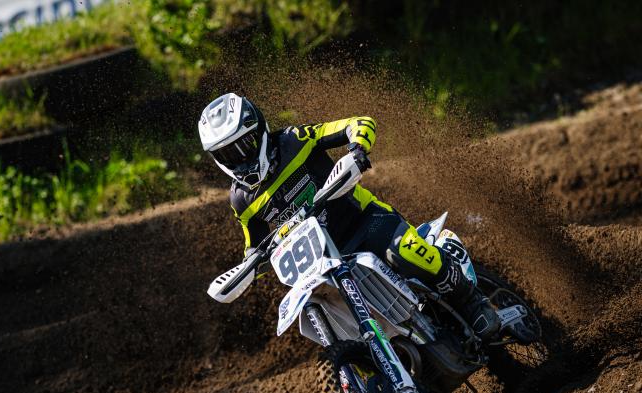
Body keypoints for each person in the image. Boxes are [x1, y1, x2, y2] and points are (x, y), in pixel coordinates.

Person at [198, 93, 499, 339]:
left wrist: (357, 150)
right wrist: (251, 266)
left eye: (244, 145)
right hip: (323, 264)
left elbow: (359, 123)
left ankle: (472, 302)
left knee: (405, 252)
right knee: (328, 314)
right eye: (227, 154)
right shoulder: (241, 199)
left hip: (365, 222)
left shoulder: (294, 139)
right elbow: (254, 245)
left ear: (259, 130)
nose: (239, 157)